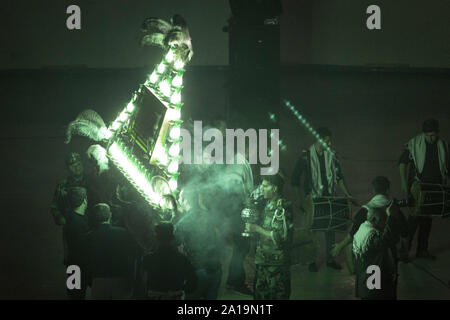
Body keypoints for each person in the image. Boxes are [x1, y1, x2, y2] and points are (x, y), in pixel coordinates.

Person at [291, 127, 356, 272]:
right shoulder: (306, 156)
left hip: (329, 198)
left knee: (330, 229)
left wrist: (347, 194)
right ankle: (312, 260)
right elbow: (295, 179)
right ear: (319, 139)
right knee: (313, 230)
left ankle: (330, 259)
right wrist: (300, 199)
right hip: (312, 200)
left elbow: (339, 177)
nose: (329, 143)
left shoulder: (332, 155)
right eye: (327, 141)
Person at [332, 176, 408, 297]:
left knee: (372, 291)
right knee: (389, 291)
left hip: (371, 260)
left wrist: (340, 246)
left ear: (373, 190)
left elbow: (352, 234)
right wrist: (404, 251)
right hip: (390, 257)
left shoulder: (364, 210)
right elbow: (405, 234)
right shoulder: (395, 210)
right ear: (388, 190)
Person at [398, 118, 449, 260]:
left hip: (434, 188)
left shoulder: (444, 146)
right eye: (427, 135)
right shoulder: (414, 144)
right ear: (423, 134)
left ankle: (422, 250)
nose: (430, 138)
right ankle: (404, 251)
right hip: (417, 187)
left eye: (433, 135)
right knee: (413, 220)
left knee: (427, 221)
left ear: (437, 133)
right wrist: (403, 182)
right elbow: (402, 163)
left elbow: (447, 167)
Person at [245, 174, 293, 300]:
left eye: (266, 186)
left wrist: (256, 229)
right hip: (263, 262)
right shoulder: (266, 205)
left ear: (275, 188)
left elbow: (280, 236)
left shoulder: (282, 208)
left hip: (276, 266)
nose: (262, 189)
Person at [174, 189, 222, 300]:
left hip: (198, 270)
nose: (178, 200)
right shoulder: (208, 215)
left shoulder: (184, 222)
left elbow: (173, 242)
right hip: (216, 269)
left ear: (185, 200)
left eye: (180, 198)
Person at [86, 203, 139, 299]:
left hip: (99, 279)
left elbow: (87, 260)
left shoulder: (90, 236)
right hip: (121, 279)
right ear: (110, 215)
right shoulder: (123, 233)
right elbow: (131, 256)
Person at [353, 206, 398, 300]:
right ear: (374, 219)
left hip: (366, 280)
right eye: (382, 220)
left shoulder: (362, 229)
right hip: (373, 282)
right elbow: (385, 240)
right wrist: (390, 218)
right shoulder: (372, 235)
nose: (384, 223)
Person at [143, 223, 197, 299]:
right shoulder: (182, 259)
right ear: (173, 238)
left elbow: (142, 283)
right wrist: (180, 290)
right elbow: (193, 283)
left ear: (156, 238)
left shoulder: (148, 258)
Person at [64, 187, 90, 300]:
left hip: (72, 264)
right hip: (79, 266)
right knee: (77, 296)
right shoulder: (80, 222)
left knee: (73, 294)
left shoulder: (70, 217)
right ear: (85, 200)